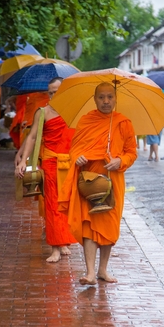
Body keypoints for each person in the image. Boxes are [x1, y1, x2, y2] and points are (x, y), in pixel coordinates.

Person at [58, 82, 137, 286]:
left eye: (110, 97)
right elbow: (74, 149)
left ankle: (102, 270)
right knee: (88, 225)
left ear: (115, 99)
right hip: (89, 180)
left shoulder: (123, 122)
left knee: (109, 225)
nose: (106, 101)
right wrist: (79, 158)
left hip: (113, 179)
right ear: (95, 99)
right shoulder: (87, 120)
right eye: (101, 97)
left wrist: (120, 161)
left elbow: (131, 152)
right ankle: (90, 272)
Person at [15, 78, 77, 263]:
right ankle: (55, 248)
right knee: (52, 205)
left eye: (58, 91)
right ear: (47, 94)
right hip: (50, 162)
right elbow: (32, 137)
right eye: (51, 92)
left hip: (70, 163)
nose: (54, 95)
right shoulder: (42, 113)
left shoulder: (74, 112)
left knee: (67, 204)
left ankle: (64, 241)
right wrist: (23, 160)